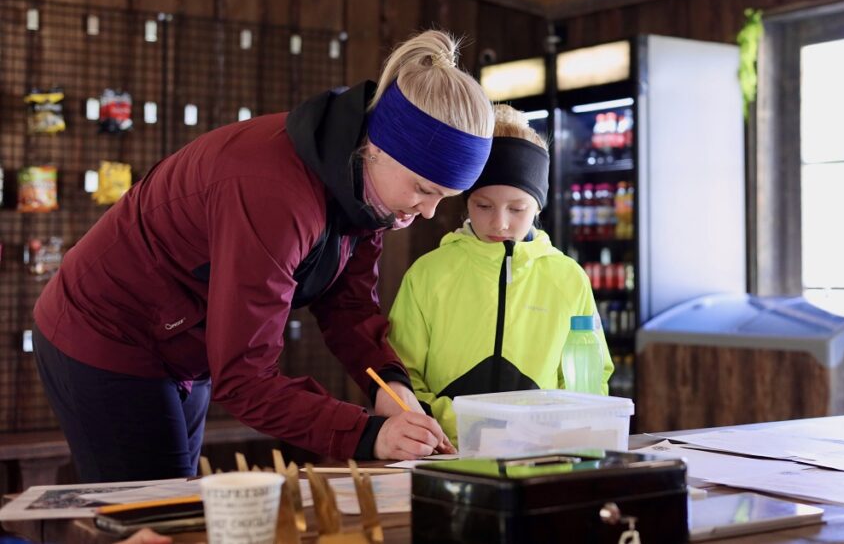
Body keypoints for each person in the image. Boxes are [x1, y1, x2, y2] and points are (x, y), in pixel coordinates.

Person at [32, 30, 492, 482]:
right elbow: (245, 378)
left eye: (445, 198)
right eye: (424, 190)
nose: (429, 212)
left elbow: (348, 305)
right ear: (379, 148)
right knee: (151, 516)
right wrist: (367, 435)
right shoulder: (272, 193)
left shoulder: (364, 185)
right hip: (106, 330)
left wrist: (388, 385)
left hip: (183, 342)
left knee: (175, 503)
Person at [387, 104, 613, 444]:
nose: (500, 223)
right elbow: (400, 374)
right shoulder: (428, 275)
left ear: (538, 206)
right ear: (465, 202)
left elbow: (590, 380)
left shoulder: (568, 278)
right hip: (444, 451)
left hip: (541, 455)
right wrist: (453, 423)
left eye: (517, 208)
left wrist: (558, 428)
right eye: (483, 205)